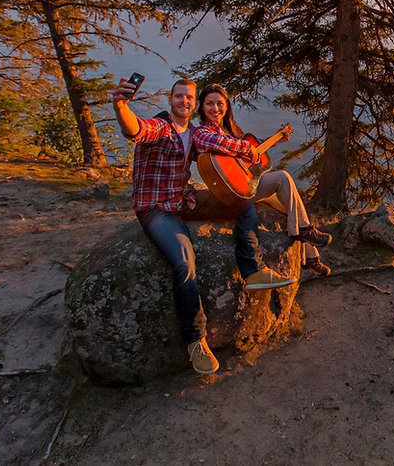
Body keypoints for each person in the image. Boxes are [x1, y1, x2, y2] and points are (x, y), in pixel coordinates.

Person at [112, 77, 295, 376]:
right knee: (185, 263)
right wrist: (120, 105)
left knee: (243, 200)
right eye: (179, 96)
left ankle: (252, 269)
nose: (184, 101)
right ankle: (196, 340)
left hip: (183, 201)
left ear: (194, 104)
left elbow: (219, 142)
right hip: (157, 209)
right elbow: (135, 129)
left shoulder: (195, 133)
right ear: (171, 100)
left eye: (189, 98)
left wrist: (247, 152)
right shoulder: (161, 126)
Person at [195, 83, 333, 276]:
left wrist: (276, 138)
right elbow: (219, 143)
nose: (215, 108)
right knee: (283, 178)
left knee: (289, 207)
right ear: (201, 106)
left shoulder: (229, 129)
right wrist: (245, 147)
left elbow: (251, 147)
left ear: (226, 106)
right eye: (210, 103)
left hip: (246, 185)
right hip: (231, 192)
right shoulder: (202, 132)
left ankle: (309, 254)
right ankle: (305, 235)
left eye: (220, 103)